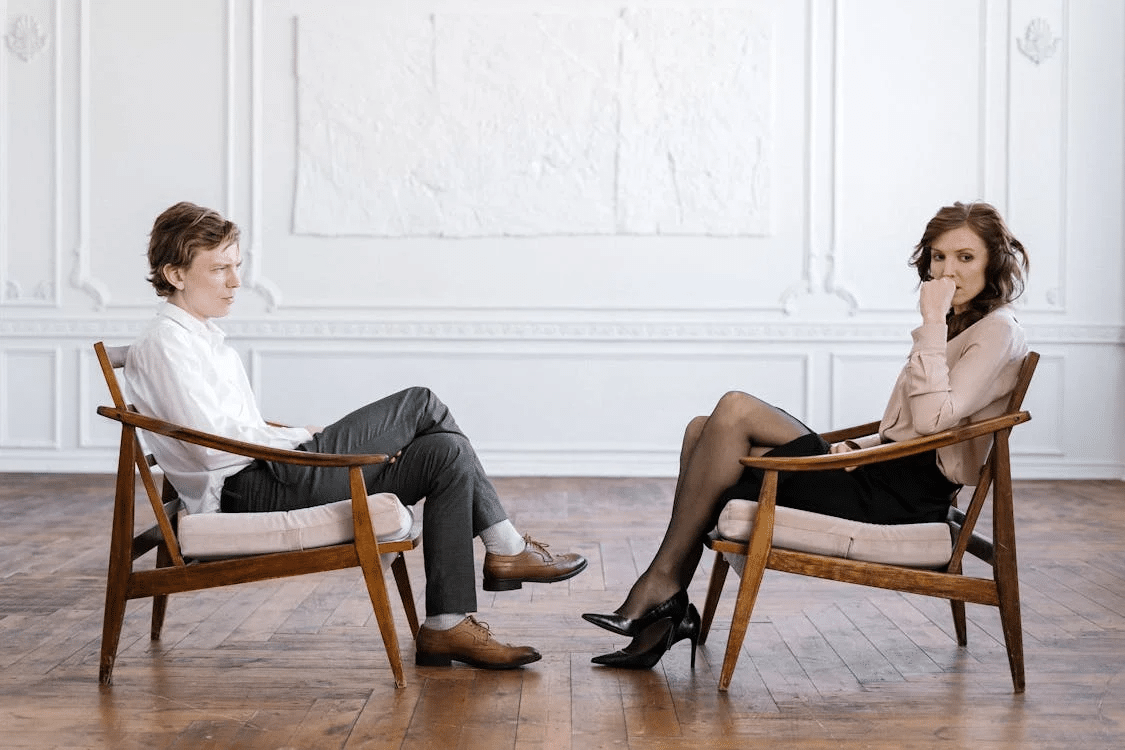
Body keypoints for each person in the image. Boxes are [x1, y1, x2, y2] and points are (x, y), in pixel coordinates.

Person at [123, 201, 587, 670]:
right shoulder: (165, 344)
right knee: (421, 402)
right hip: (250, 488)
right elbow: (208, 449)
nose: (235, 281)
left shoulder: (203, 340)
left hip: (269, 468)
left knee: (444, 452)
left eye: (236, 266)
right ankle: (506, 548)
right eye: (220, 268)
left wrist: (301, 434)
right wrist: (299, 443)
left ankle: (446, 625)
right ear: (175, 275)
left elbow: (225, 430)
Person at [582, 200, 1030, 669]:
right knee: (702, 430)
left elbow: (935, 420)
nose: (947, 270)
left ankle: (662, 592)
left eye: (965, 257)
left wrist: (931, 324)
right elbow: (910, 427)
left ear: (993, 262)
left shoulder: (995, 332)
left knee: (734, 410)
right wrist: (854, 449)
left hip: (897, 499)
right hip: (874, 472)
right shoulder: (963, 323)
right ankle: (666, 600)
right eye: (939, 257)